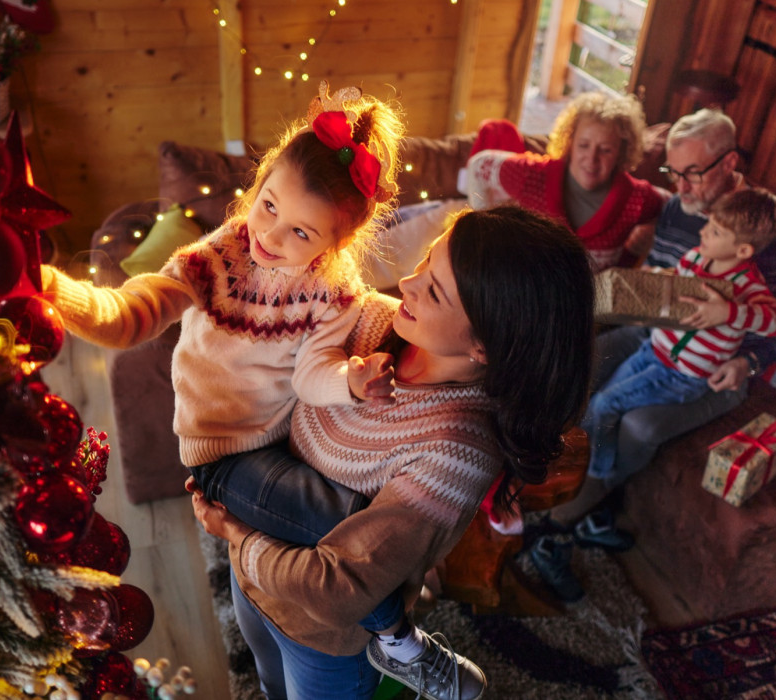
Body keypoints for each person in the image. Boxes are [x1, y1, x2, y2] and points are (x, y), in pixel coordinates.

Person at [38, 83, 483, 695]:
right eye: (268, 205)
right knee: (342, 522)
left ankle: (384, 638)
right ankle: (399, 638)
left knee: (346, 533)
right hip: (220, 456)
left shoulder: (336, 292)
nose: (272, 236)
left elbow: (310, 373)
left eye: (303, 233)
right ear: (259, 181)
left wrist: (349, 382)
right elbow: (129, 316)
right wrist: (51, 290)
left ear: (337, 243)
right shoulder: (218, 257)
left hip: (276, 446)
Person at [190, 205, 597, 700]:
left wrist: (234, 532)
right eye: (426, 262)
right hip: (252, 585)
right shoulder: (367, 321)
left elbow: (340, 589)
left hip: (323, 639)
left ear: (484, 346)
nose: (407, 282)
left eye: (435, 290)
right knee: (268, 684)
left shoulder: (456, 451)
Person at [530, 108, 776, 576]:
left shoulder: (775, 236)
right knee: (576, 372)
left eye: (693, 174)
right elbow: (668, 286)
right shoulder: (677, 210)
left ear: (730, 162)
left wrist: (750, 361)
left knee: (640, 426)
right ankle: (552, 491)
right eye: (675, 173)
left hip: (713, 367)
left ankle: (556, 526)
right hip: (655, 339)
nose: (681, 187)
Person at [529, 187, 776, 600]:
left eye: (717, 229)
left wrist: (729, 313)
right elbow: (674, 282)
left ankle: (595, 476)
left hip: (681, 376)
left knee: (605, 404)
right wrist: (658, 283)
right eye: (710, 222)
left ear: (742, 249)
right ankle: (576, 480)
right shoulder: (696, 257)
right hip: (654, 351)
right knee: (597, 400)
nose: (705, 230)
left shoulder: (747, 286)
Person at [465, 91, 667, 271]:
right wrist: (488, 237)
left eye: (606, 150)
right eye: (583, 145)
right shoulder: (533, 177)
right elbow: (478, 166)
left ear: (622, 152)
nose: (592, 158)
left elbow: (671, 205)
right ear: (570, 143)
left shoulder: (637, 198)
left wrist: (648, 236)